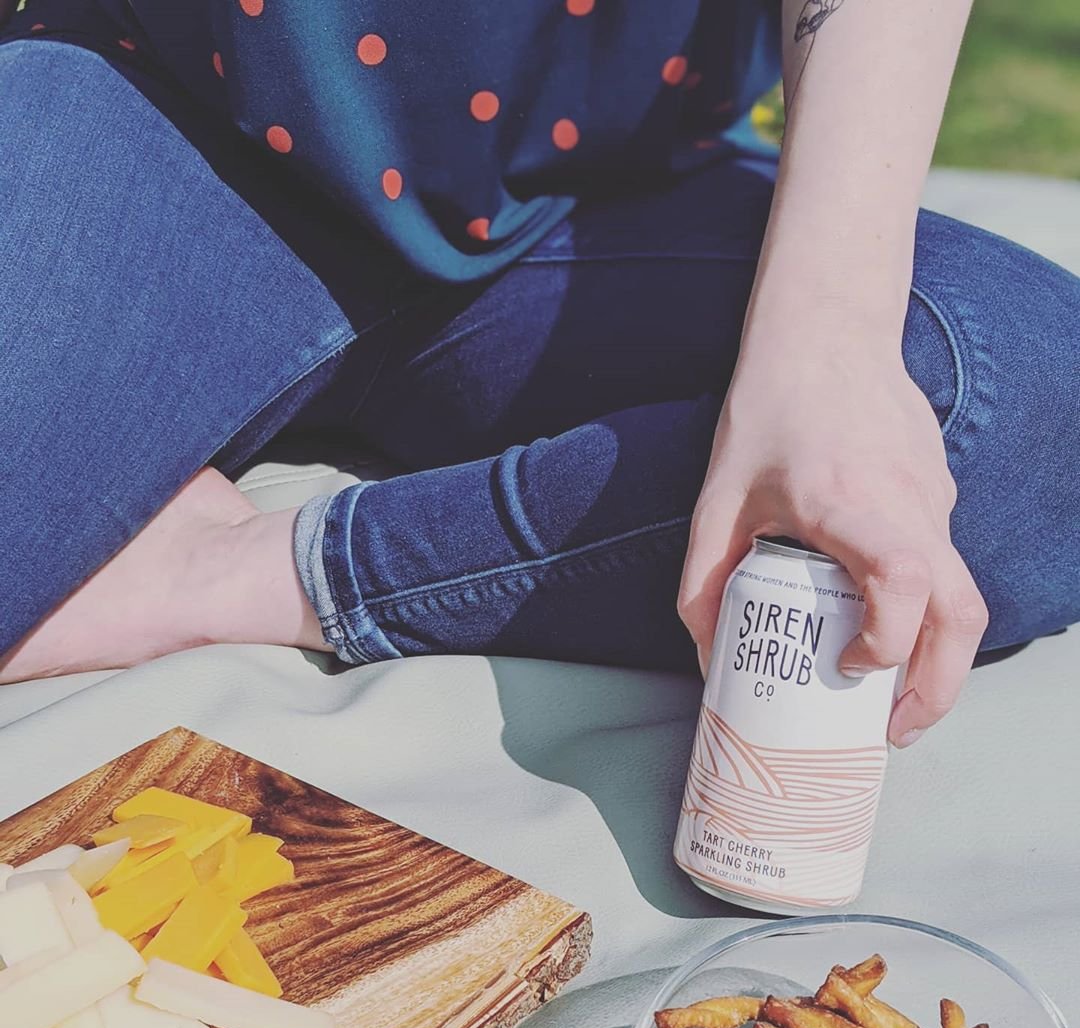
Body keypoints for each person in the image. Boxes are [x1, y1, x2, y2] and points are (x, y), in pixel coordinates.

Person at [1, 1, 1077, 753]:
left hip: (591, 203)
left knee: (1015, 400)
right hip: (157, 131)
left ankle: (234, 575)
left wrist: (827, 351)